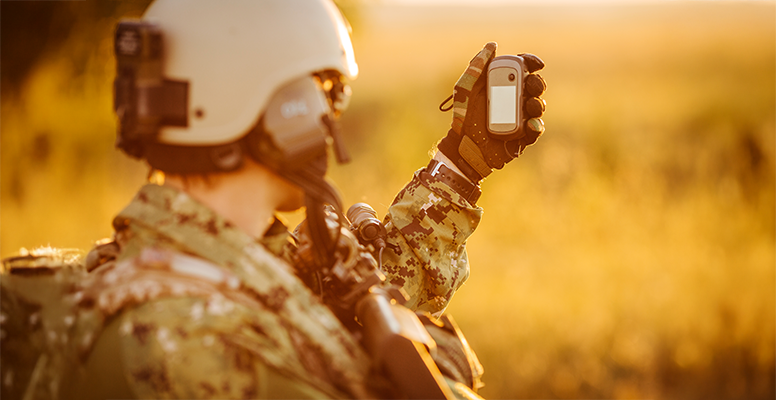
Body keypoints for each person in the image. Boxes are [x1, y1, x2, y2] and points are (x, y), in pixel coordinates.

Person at [0, 0, 546, 398]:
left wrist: (460, 163)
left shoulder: (126, 270)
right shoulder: (205, 349)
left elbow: (341, 290)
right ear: (282, 109)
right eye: (326, 92)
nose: (329, 118)